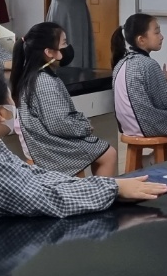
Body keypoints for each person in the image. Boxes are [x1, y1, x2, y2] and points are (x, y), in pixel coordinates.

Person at [0, 60, 166, 239]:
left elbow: (34, 177)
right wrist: (113, 189)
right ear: (0, 113)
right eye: (10, 98)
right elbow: (46, 198)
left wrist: (110, 186)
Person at [11, 22, 115, 177]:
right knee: (108, 154)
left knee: (102, 150)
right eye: (64, 43)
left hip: (50, 142)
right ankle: (100, 191)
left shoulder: (37, 76)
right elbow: (59, 124)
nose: (67, 47)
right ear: (49, 52)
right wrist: (84, 127)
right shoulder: (44, 82)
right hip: (52, 148)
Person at [110, 14, 167, 153]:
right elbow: (166, 102)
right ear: (141, 40)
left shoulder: (122, 62)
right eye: (157, 32)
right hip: (145, 125)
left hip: (127, 125)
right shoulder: (148, 64)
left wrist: (162, 80)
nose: (162, 36)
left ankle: (152, 160)